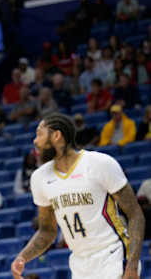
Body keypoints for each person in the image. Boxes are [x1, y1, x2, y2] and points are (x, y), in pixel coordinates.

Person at [11, 113, 145, 279]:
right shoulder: (39, 178)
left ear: (56, 135)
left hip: (113, 256)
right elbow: (47, 231)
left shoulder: (99, 163)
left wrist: (132, 265)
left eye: (39, 134)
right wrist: (23, 257)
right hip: (80, 265)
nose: (35, 141)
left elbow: (135, 214)